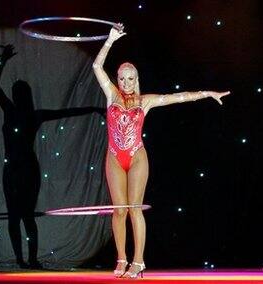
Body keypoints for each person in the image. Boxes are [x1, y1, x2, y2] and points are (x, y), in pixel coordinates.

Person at [92, 24, 230, 278]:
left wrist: (206, 93)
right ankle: (121, 258)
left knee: (134, 207)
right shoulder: (111, 95)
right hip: (114, 156)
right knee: (119, 210)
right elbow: (96, 68)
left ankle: (139, 261)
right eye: (122, 77)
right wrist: (110, 40)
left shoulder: (146, 101)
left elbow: (178, 97)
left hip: (136, 157)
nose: (125, 82)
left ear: (137, 79)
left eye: (130, 78)